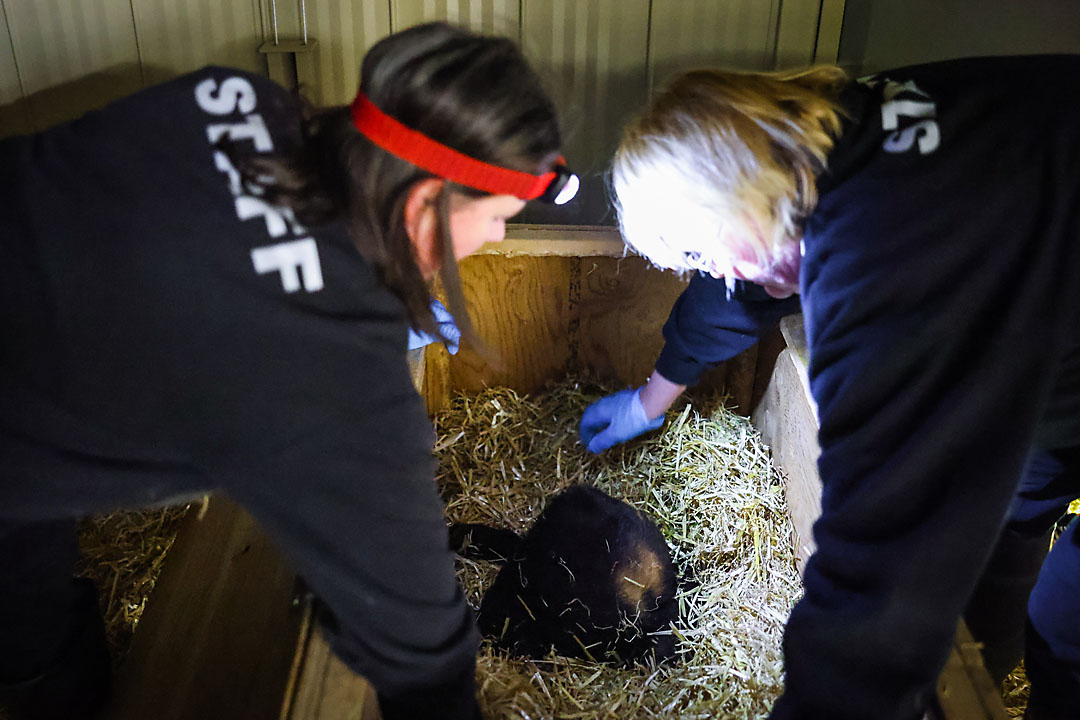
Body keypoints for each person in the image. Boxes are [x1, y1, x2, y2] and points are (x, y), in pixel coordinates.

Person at [0, 21, 577, 720]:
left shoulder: (239, 98)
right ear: (425, 201)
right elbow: (423, 651)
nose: (495, 238)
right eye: (496, 217)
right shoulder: (334, 378)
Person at [579, 55, 1080, 720]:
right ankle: (979, 667)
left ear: (740, 196)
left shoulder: (875, 262)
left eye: (703, 251)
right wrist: (649, 401)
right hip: (1053, 320)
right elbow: (732, 294)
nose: (719, 273)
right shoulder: (827, 135)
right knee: (1020, 497)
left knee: (1066, 628)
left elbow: (877, 558)